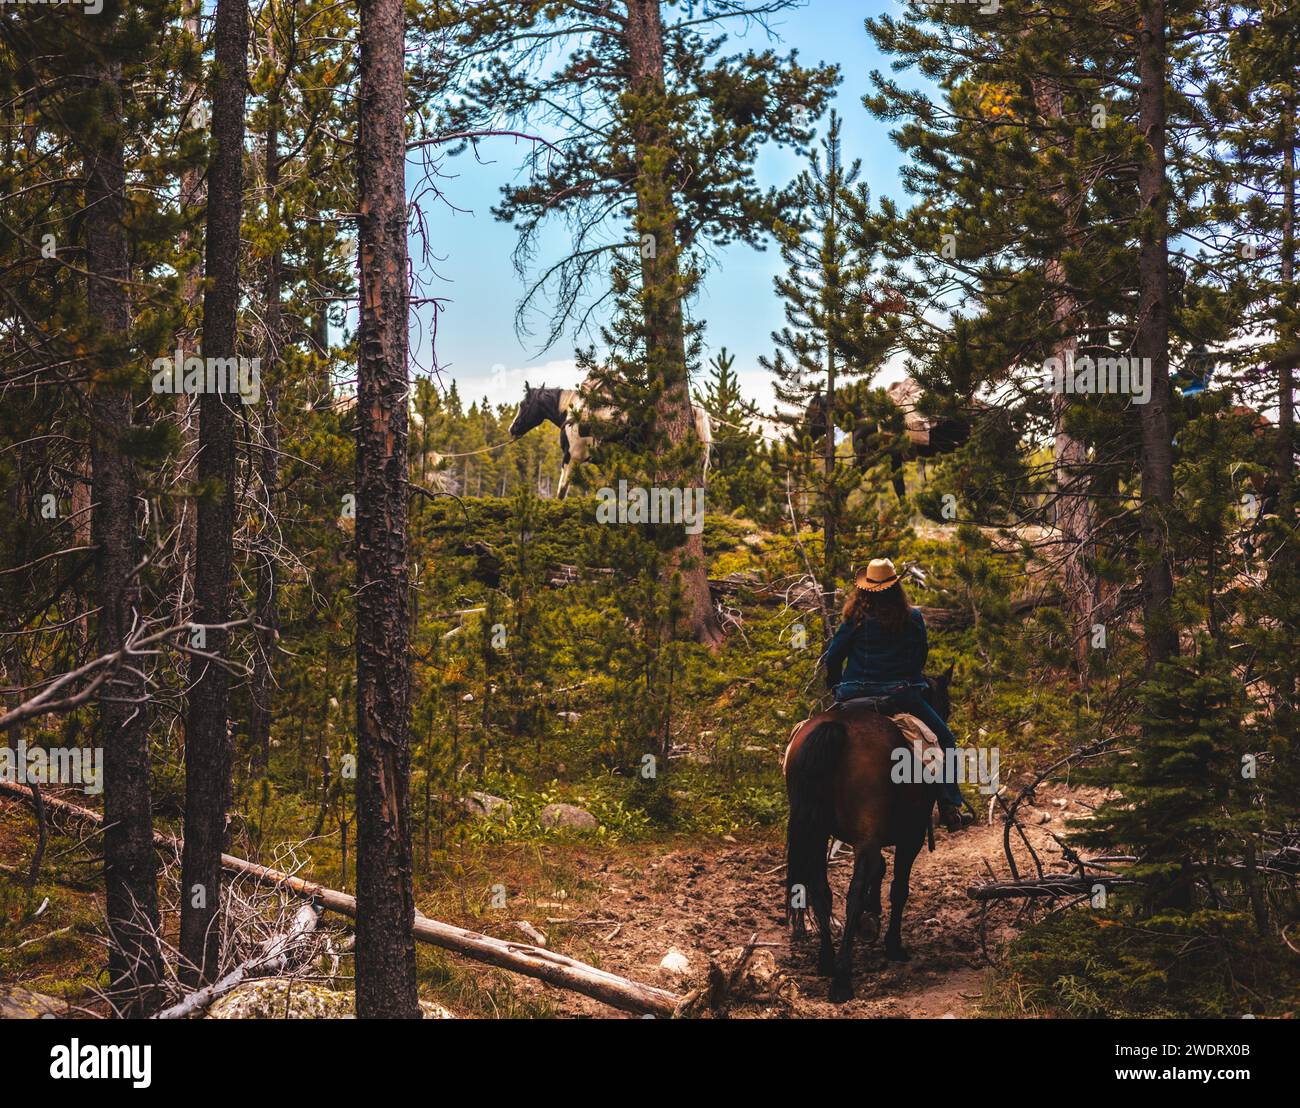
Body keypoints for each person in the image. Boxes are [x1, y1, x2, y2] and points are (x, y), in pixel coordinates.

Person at [821, 557, 974, 831]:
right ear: (895, 588)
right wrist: (910, 682)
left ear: (865, 588)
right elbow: (919, 658)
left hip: (853, 696)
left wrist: (837, 688)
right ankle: (949, 804)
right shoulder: (912, 618)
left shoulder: (853, 618)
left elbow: (833, 659)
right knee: (946, 740)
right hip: (898, 696)